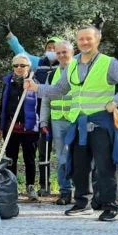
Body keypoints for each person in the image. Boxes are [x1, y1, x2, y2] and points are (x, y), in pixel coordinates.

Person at [26, 26, 118, 222]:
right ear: (77, 42)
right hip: (78, 122)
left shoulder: (108, 63)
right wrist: (37, 88)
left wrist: (117, 101)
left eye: (89, 38)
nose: (85, 42)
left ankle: (111, 207)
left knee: (105, 166)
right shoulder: (72, 64)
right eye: (81, 39)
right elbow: (60, 89)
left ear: (98, 40)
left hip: (102, 121)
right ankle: (82, 204)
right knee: (80, 165)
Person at [6, 30, 62, 196]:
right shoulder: (39, 63)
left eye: (55, 47)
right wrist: (10, 36)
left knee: (64, 153)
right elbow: (21, 53)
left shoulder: (67, 64)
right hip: (41, 113)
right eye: (49, 47)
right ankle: (44, 186)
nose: (51, 50)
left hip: (62, 113)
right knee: (43, 152)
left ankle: (66, 188)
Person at [0, 54, 41, 201]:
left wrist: (41, 123)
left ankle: (30, 186)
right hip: (11, 128)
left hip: (29, 128)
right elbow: (3, 104)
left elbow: (40, 105)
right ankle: (13, 186)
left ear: (28, 67)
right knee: (11, 158)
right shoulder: (8, 82)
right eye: (16, 65)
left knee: (30, 159)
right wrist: (0, 124)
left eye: (22, 65)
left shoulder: (34, 83)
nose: (19, 68)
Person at [39, 40, 75, 205]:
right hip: (57, 121)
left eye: (64, 52)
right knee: (62, 158)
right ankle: (65, 192)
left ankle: (82, 192)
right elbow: (46, 99)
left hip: (76, 120)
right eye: (58, 53)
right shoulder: (52, 75)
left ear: (72, 53)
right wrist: (43, 121)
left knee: (81, 157)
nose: (61, 55)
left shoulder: (79, 71)